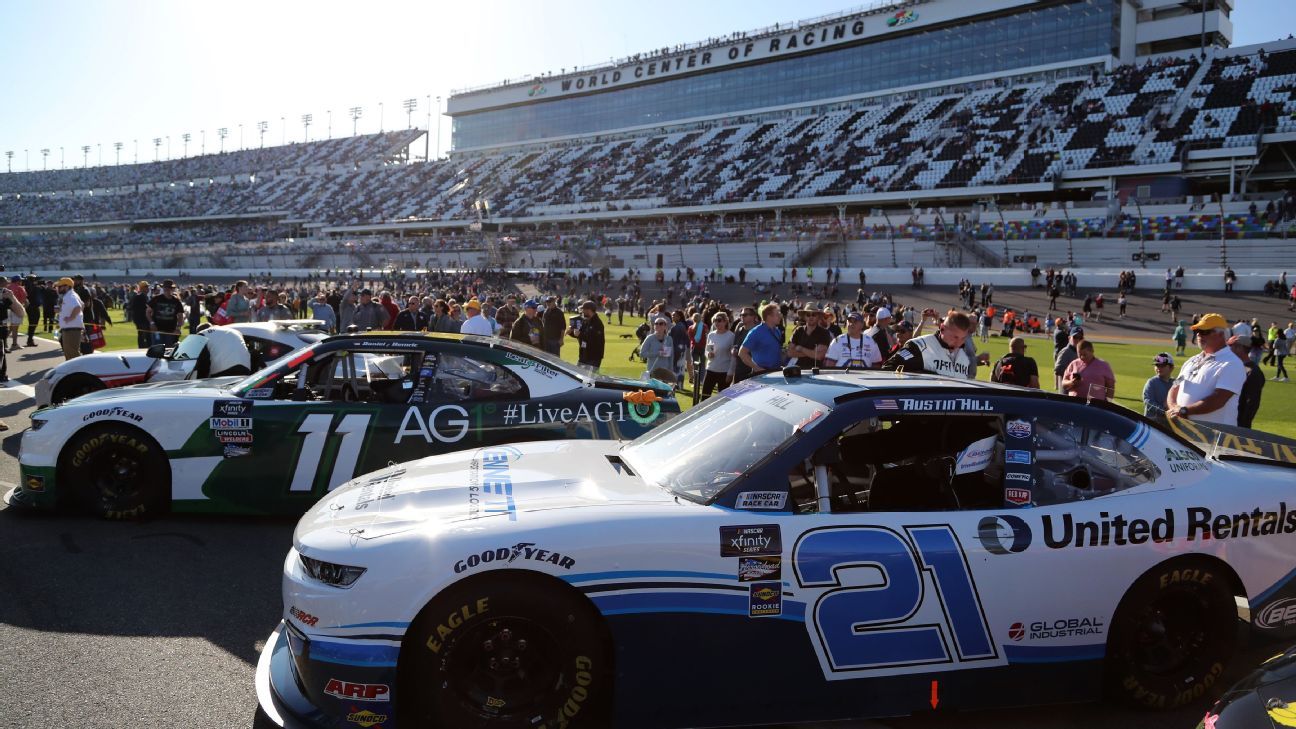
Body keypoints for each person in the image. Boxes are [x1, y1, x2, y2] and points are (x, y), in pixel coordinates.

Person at [1167, 313, 1247, 427]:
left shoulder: (1232, 363)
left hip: (1214, 435)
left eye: (1205, 332)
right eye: (1197, 331)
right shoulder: (1191, 361)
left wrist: (1185, 410)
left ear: (1220, 334)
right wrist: (1174, 407)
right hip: (1183, 428)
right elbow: (1174, 387)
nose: (1199, 335)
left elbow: (1219, 399)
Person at [881, 311, 973, 378]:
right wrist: (921, 375)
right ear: (942, 329)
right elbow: (887, 369)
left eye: (963, 338)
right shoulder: (919, 346)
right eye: (955, 337)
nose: (959, 343)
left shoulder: (963, 355)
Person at [1227, 335, 1265, 429]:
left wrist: (1242, 427)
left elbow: (1251, 404)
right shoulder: (1234, 367)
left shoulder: (1253, 372)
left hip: (1237, 425)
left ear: (1239, 348)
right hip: (1226, 420)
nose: (1227, 349)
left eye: (1230, 346)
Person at [738, 303, 785, 376]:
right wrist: (757, 368)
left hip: (776, 371)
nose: (780, 316)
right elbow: (742, 353)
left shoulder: (777, 331)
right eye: (777, 314)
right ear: (769, 317)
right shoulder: (756, 332)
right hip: (762, 373)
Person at [700, 312, 735, 398]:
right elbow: (706, 351)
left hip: (724, 372)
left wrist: (730, 373)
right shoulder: (711, 335)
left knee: (722, 400)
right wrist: (708, 354)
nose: (717, 323)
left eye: (719, 320)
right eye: (715, 320)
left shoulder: (731, 336)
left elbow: (734, 356)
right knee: (704, 397)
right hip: (711, 369)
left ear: (725, 321)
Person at [568, 300, 605, 371]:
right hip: (583, 355)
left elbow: (594, 340)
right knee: (578, 376)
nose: (582, 311)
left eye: (583, 309)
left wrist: (580, 334)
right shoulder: (585, 320)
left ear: (589, 310)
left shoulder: (598, 324)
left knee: (589, 379)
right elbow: (580, 334)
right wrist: (571, 332)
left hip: (593, 357)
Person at [148, 279, 183, 346]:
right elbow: (147, 312)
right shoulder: (156, 299)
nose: (167, 289)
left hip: (170, 331)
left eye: (169, 288)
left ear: (172, 289)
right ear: (163, 288)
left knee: (169, 350)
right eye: (165, 287)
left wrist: (178, 328)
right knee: (156, 350)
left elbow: (180, 316)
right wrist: (152, 323)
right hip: (157, 329)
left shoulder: (176, 301)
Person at [55, 277, 83, 361]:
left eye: (60, 286)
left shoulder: (70, 296)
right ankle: (72, 371)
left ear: (67, 286)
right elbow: (82, 305)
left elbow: (78, 307)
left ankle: (78, 372)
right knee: (69, 353)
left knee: (72, 353)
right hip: (70, 328)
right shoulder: (69, 295)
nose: (58, 288)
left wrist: (71, 317)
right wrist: (61, 310)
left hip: (72, 328)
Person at [1143, 353, 1176, 421]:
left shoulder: (1175, 383)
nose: (1159, 368)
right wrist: (1164, 411)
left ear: (1171, 368)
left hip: (1171, 422)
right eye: (1157, 365)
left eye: (1163, 366)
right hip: (1153, 421)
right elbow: (1148, 402)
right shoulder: (1152, 382)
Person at [731, 306, 759, 382]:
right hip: (739, 369)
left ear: (753, 316)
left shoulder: (758, 331)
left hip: (754, 370)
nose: (742, 317)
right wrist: (734, 350)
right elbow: (734, 346)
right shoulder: (739, 330)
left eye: (745, 315)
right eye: (741, 315)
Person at [1053, 327, 1084, 392]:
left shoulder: (1082, 353)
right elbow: (1058, 370)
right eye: (1075, 337)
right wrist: (1074, 375)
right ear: (1069, 338)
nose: (1078, 340)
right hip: (1066, 392)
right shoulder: (1065, 351)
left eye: (1080, 338)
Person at [128, 281, 152, 347]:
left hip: (144, 320)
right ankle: (142, 349)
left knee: (146, 336)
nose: (148, 288)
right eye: (146, 287)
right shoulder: (139, 297)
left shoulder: (145, 296)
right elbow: (135, 309)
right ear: (141, 288)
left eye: (148, 286)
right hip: (141, 320)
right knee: (143, 336)